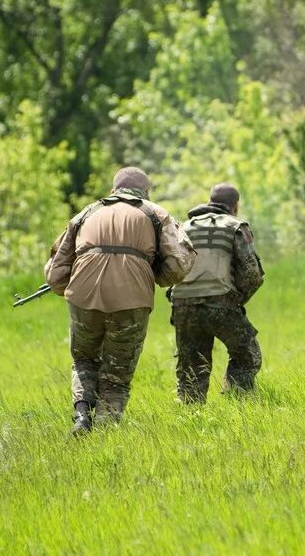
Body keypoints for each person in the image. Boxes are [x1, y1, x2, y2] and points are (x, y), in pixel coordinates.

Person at [45, 167, 195, 435]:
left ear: (113, 190)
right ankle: (104, 433)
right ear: (145, 192)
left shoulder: (87, 212)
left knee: (84, 359)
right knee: (118, 371)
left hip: (83, 296)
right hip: (132, 298)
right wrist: (152, 275)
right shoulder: (155, 213)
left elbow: (56, 272)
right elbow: (180, 263)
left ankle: (81, 416)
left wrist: (75, 283)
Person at [169, 183, 265, 403]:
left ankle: (191, 416)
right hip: (221, 304)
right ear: (235, 206)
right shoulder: (235, 226)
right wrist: (237, 298)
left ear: (209, 201)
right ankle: (237, 403)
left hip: (183, 306)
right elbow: (252, 274)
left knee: (191, 366)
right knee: (247, 355)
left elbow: (170, 268)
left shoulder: (183, 227)